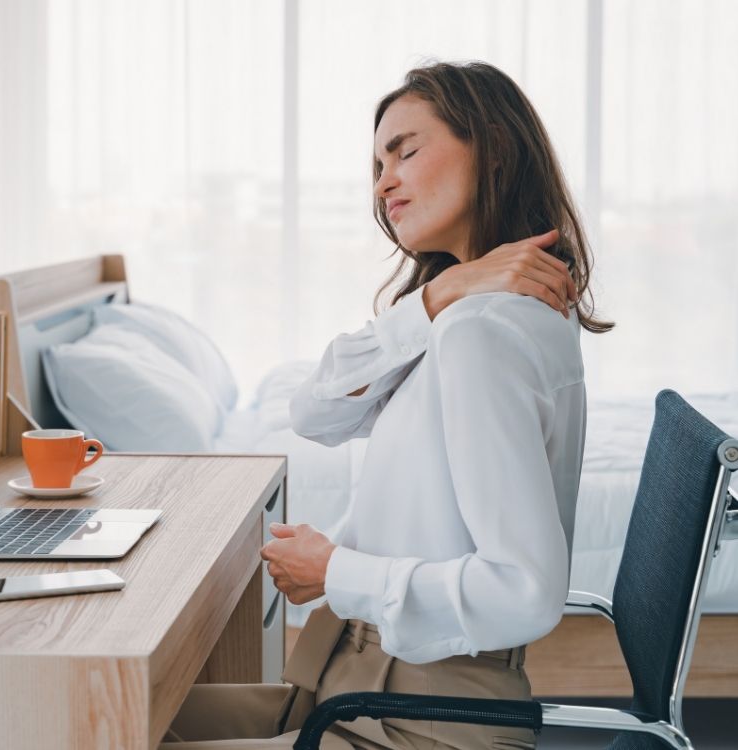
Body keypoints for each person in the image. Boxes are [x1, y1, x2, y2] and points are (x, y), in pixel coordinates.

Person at [159, 61, 613, 750]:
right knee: (107, 717)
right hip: (354, 685)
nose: (383, 183)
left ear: (492, 147)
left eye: (405, 150)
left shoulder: (482, 333)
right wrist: (442, 292)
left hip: (420, 721)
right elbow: (316, 412)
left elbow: (525, 591)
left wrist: (335, 570)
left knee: (96, 722)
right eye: (377, 163)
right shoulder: (459, 316)